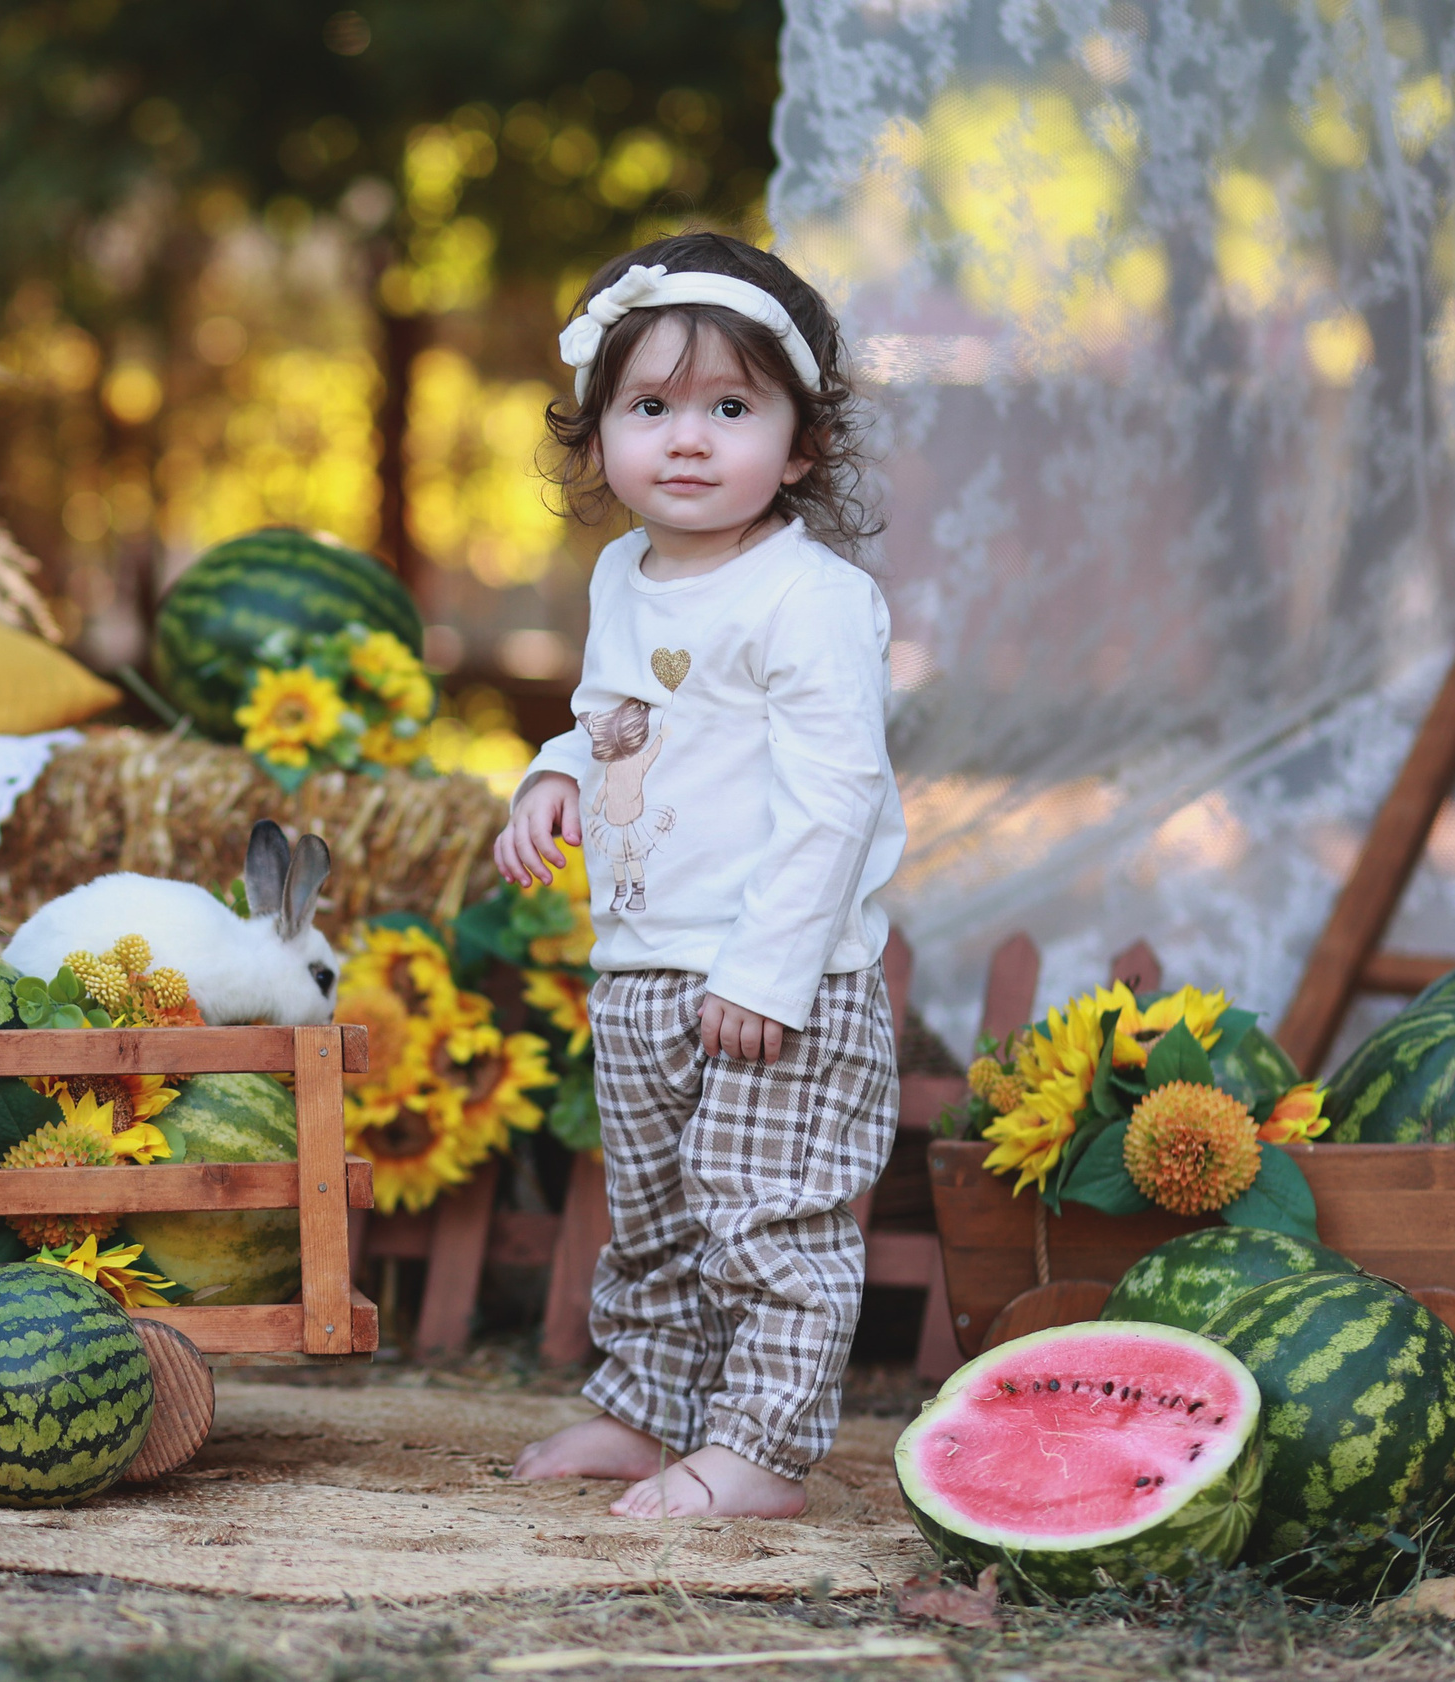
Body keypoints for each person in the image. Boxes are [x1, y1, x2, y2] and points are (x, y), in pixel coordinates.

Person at [495, 231, 906, 1519]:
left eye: (730, 407)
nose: (687, 438)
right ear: (599, 434)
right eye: (650, 407)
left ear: (797, 446)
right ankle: (646, 1405)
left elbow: (835, 801)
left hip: (771, 988)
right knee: (658, 1219)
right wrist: (555, 773)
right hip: (640, 968)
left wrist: (768, 973)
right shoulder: (625, 574)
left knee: (767, 1221)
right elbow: (616, 717)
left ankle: (760, 1451)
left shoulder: (812, 599)